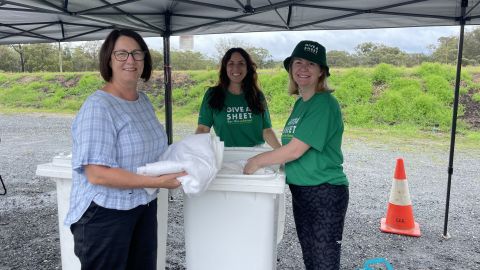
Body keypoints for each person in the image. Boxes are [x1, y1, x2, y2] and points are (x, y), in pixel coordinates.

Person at [64, 29, 185, 270]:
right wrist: (156, 182)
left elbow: (153, 151)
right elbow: (97, 174)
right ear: (108, 59)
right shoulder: (99, 107)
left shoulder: (143, 101)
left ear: (144, 60)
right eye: (121, 54)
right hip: (105, 215)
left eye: (136, 53)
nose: (130, 60)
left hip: (142, 207)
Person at [244, 40, 349, 270]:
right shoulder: (302, 103)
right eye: (298, 62)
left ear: (321, 71)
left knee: (324, 262)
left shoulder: (324, 104)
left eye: (311, 63)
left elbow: (295, 150)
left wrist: (256, 161)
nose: (303, 68)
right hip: (302, 191)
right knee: (311, 259)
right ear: (290, 69)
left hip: (325, 192)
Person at [196, 47, 281, 149]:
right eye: (231, 63)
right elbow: (203, 129)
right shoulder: (212, 94)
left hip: (255, 154)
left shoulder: (257, 95)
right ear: (225, 67)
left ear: (247, 68)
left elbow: (266, 131)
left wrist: (282, 154)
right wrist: (193, 155)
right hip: (226, 155)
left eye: (241, 63)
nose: (236, 68)